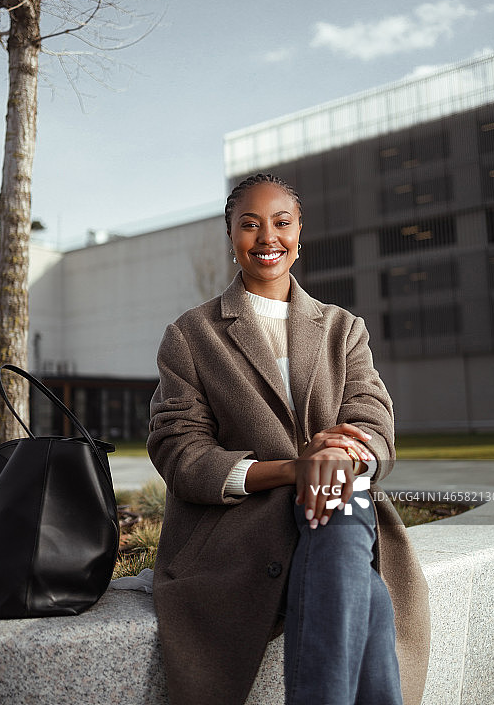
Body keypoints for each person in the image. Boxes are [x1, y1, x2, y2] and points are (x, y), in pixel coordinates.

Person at [147, 173, 430, 705]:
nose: (267, 237)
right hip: (242, 527)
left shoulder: (343, 328)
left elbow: (372, 420)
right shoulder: (192, 334)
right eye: (249, 224)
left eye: (281, 222)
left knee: (339, 504)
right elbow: (180, 452)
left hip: (339, 501)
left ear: (301, 232)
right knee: (358, 574)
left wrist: (337, 455)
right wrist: (293, 470)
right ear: (230, 236)